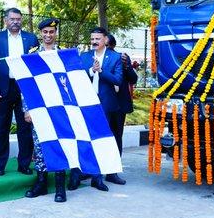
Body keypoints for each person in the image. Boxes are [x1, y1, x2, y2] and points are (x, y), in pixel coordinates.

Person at [0, 8, 39, 176]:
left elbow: (36, 65)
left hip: (25, 88)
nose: (15, 22)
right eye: (12, 19)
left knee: (25, 127)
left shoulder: (31, 38)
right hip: (2, 89)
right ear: (6, 20)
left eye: (18, 19)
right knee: (1, 127)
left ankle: (24, 164)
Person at [70, 26, 123, 192]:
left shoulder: (115, 57)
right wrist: (91, 71)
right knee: (82, 139)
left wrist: (101, 71)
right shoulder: (84, 56)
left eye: (97, 39)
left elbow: (118, 80)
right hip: (85, 104)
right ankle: (77, 175)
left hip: (105, 105)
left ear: (105, 40)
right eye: (92, 39)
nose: (94, 41)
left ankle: (97, 178)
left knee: (101, 140)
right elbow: (76, 77)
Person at [23, 18, 68, 202]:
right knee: (40, 145)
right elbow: (27, 85)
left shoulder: (63, 54)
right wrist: (27, 109)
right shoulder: (33, 55)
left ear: (56, 33)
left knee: (60, 145)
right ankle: (41, 183)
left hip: (59, 109)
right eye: (45, 32)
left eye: (51, 32)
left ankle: (60, 187)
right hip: (39, 108)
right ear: (41, 34)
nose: (48, 35)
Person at [104, 34, 138, 185]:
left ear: (112, 46)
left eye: (107, 46)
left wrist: (127, 67)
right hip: (101, 104)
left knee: (116, 137)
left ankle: (112, 172)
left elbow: (133, 79)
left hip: (118, 105)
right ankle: (93, 171)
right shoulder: (94, 58)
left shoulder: (121, 58)